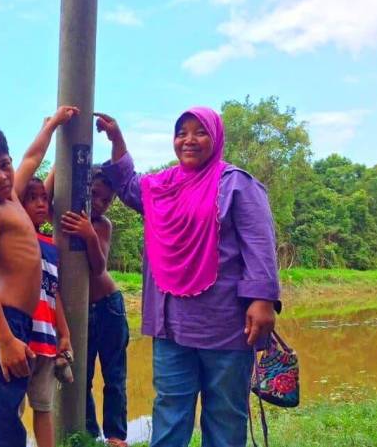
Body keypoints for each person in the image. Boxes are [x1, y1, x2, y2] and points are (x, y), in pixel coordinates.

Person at [94, 108, 280, 447]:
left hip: (227, 325)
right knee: (169, 410)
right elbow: (128, 184)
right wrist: (117, 140)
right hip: (172, 326)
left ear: (216, 137)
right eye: (182, 133)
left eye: (200, 132)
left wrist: (262, 299)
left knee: (224, 416)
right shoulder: (163, 186)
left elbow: (260, 243)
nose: (189, 140)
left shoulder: (236, 183)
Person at [0, 105, 78, 447]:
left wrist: (52, 125)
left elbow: (32, 157)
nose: (3, 177)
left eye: (4, 165)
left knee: (5, 421)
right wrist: (5, 340)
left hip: (17, 325)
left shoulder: (12, 200)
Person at [54, 168, 129, 447]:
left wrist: (89, 236)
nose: (99, 203)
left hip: (109, 306)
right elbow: (48, 191)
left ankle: (115, 436)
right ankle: (88, 435)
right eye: (95, 195)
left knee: (115, 375)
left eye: (106, 200)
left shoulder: (102, 225)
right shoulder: (62, 213)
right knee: (81, 376)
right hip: (78, 312)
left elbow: (98, 268)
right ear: (84, 191)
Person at [20, 175, 73, 447]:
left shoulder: (51, 246)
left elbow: (53, 294)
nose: (41, 203)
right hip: (20, 341)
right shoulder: (16, 237)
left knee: (44, 408)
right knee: (11, 412)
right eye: (32, 198)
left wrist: (63, 334)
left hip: (46, 341)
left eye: (44, 198)